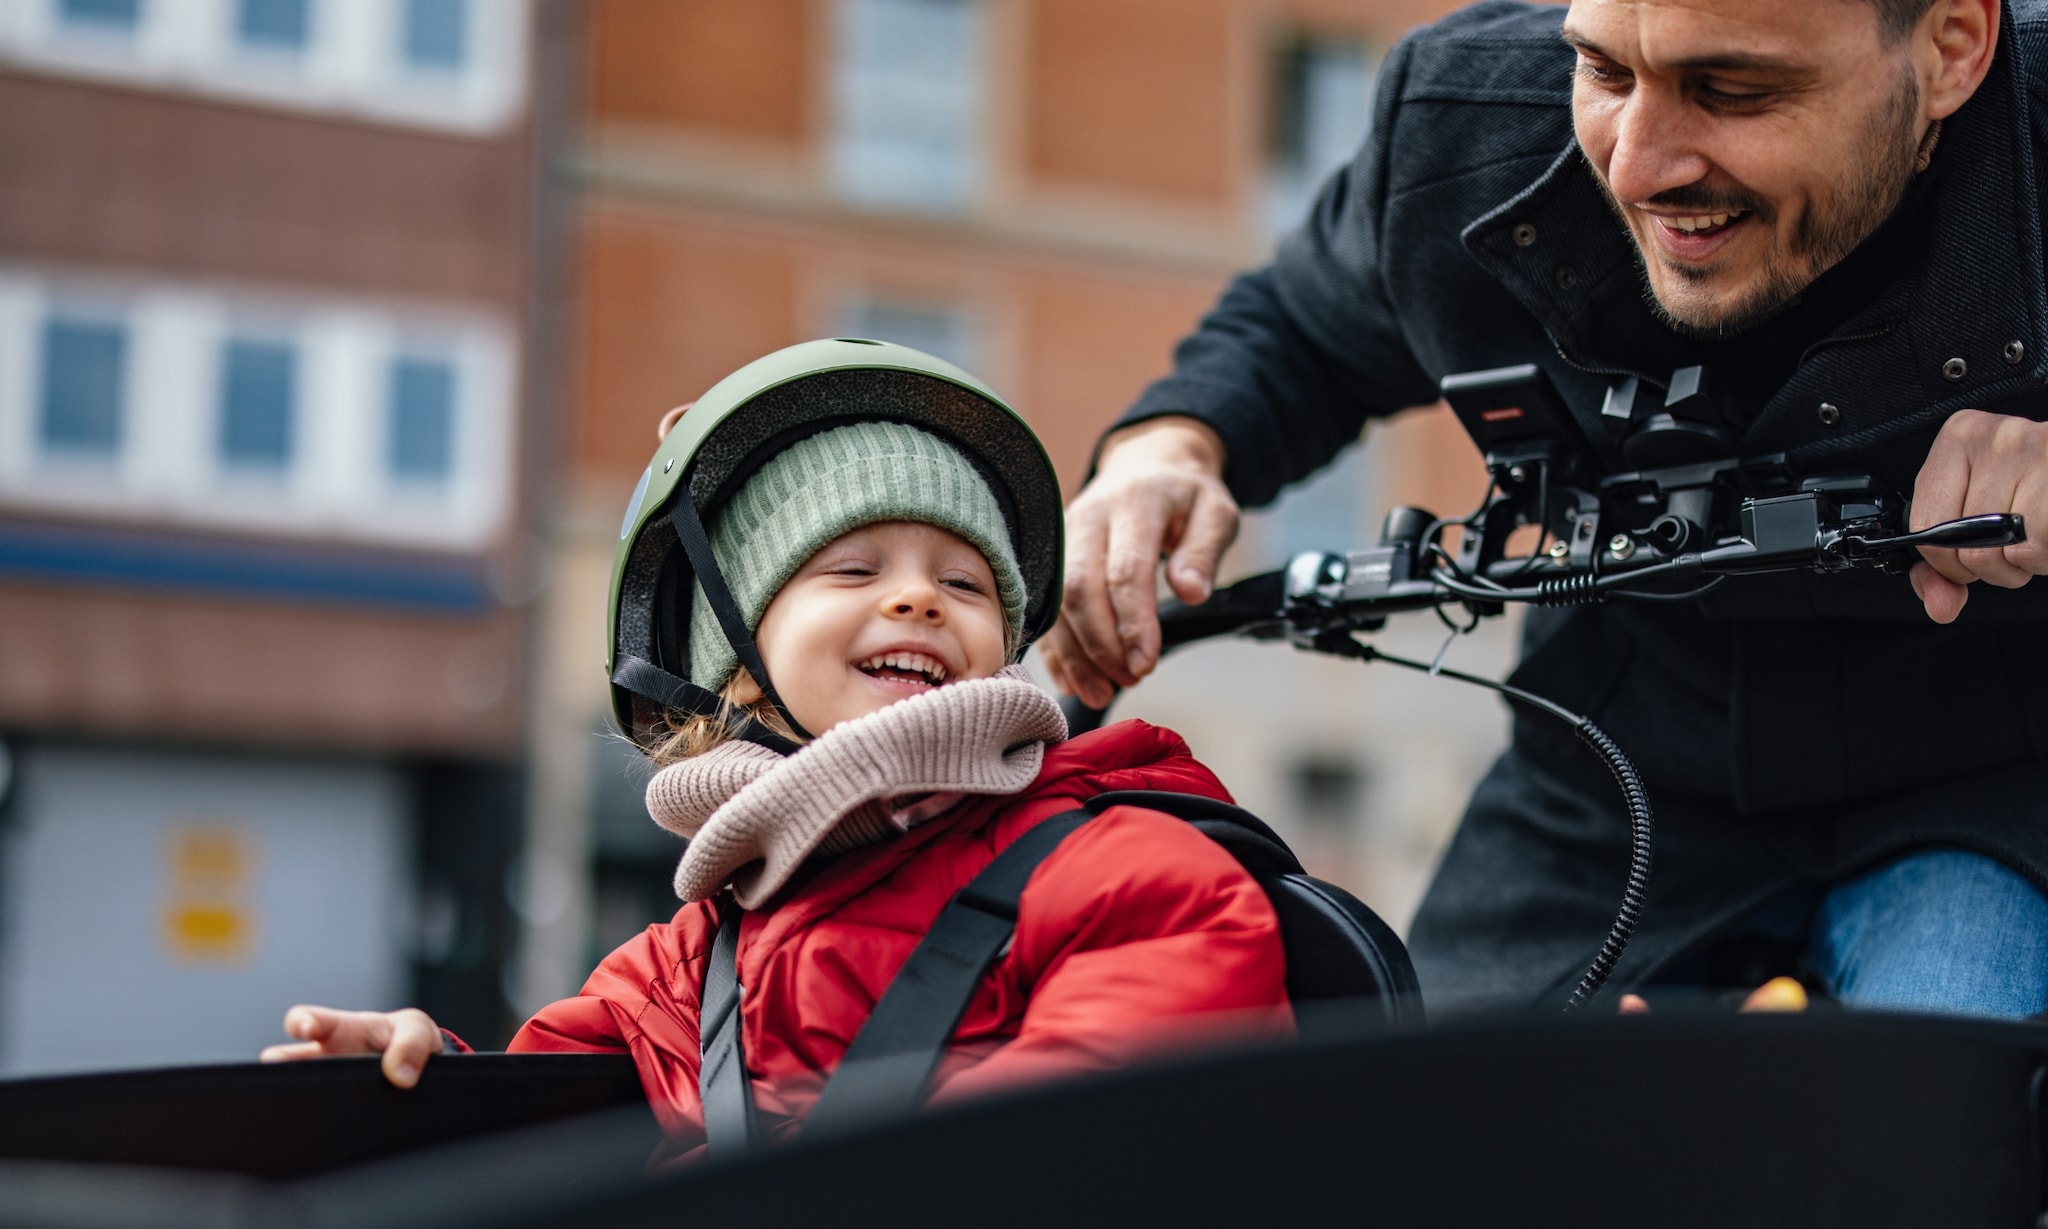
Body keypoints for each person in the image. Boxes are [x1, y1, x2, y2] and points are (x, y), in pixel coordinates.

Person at [1042, 0, 2048, 1018]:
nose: (1635, 167)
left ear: (1949, 46)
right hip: (1616, 764)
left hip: (1986, 769)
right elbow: (1304, 325)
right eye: (1604, 73)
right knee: (1429, 1135)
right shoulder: (1459, 122)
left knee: (1948, 1131)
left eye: (1731, 91)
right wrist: (1166, 447)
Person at [261, 340, 1292, 1165]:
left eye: (967, 584)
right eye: (851, 565)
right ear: (735, 661)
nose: (917, 596)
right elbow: (546, 1146)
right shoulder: (676, 967)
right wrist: (428, 1084)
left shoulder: (1135, 880)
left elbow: (1080, 1163)